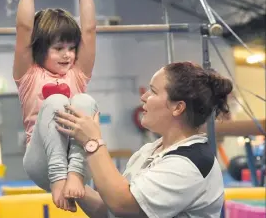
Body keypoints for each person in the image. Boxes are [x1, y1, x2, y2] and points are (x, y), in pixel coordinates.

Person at [55, 61, 233, 218]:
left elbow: (122, 204)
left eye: (153, 91)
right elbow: (109, 210)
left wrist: (92, 142)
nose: (144, 97)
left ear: (178, 107)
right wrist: (68, 180)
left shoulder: (190, 163)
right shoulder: (149, 151)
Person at [13, 0, 96, 212]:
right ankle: (60, 177)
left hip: (77, 163)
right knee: (57, 102)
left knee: (85, 101)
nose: (67, 55)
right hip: (43, 163)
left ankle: (74, 174)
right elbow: (24, 28)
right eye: (58, 48)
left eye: (71, 48)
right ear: (40, 49)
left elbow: (90, 30)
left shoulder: (77, 75)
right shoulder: (28, 75)